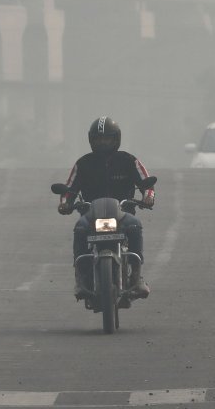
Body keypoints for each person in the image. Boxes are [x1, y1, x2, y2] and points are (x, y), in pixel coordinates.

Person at [58, 116, 155, 299]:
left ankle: (136, 275)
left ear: (116, 139)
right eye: (98, 139)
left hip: (123, 215)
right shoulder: (83, 163)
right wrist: (65, 203)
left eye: (107, 138)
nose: (103, 143)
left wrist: (148, 198)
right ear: (91, 140)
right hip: (90, 215)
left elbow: (146, 184)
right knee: (79, 229)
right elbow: (69, 188)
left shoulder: (128, 160)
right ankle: (81, 277)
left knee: (135, 226)